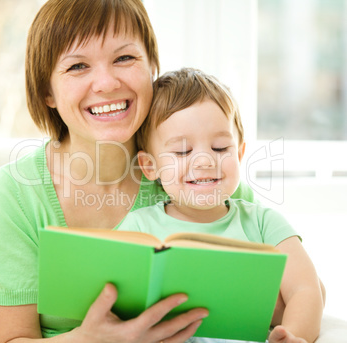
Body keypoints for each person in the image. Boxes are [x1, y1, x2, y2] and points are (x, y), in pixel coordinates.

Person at [0, 1, 257, 342]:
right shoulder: (12, 195)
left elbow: (289, 290)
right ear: (47, 91)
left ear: (152, 66)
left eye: (124, 58)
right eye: (78, 66)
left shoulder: (200, 170)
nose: (106, 83)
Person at [118, 68, 325, 343]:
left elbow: (306, 289)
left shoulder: (263, 223)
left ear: (239, 152)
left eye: (219, 148)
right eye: (182, 151)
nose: (204, 161)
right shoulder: (139, 227)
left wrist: (292, 336)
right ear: (150, 166)